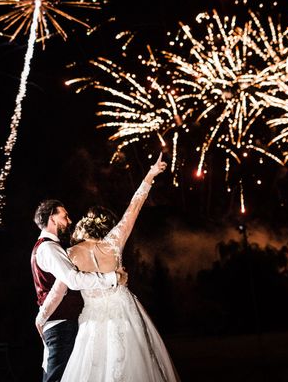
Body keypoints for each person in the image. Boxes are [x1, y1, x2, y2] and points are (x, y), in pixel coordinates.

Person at [36, 153, 181, 381]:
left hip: (93, 319)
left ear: (83, 230)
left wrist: (42, 316)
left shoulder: (70, 253)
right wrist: (150, 175)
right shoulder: (114, 242)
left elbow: (59, 290)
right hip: (124, 311)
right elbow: (134, 208)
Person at [31, 199, 129, 382]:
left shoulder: (45, 247)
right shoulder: (50, 248)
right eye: (64, 216)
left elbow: (55, 288)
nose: (69, 221)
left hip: (57, 321)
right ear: (52, 218)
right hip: (61, 324)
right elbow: (73, 280)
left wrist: (42, 315)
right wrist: (112, 278)